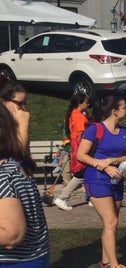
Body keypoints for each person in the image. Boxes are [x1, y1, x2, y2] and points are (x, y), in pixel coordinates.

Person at [76, 94, 126, 268]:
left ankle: (105, 262)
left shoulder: (125, 132)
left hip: (116, 180)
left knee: (112, 223)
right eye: (124, 107)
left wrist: (112, 161)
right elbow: (81, 155)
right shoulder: (95, 129)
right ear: (114, 111)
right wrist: (103, 165)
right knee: (111, 222)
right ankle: (115, 265)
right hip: (96, 179)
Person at [0, 83, 50, 267]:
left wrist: (21, 125)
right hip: (35, 254)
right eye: (19, 104)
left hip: (15, 261)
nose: (24, 109)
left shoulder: (5, 173)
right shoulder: (12, 166)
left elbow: (11, 235)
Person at [53, 93, 90, 211]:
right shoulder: (78, 116)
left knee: (87, 173)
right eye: (86, 102)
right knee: (81, 175)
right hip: (81, 147)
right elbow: (81, 134)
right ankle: (63, 197)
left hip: (75, 147)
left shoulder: (72, 114)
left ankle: (91, 198)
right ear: (80, 103)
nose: (88, 104)